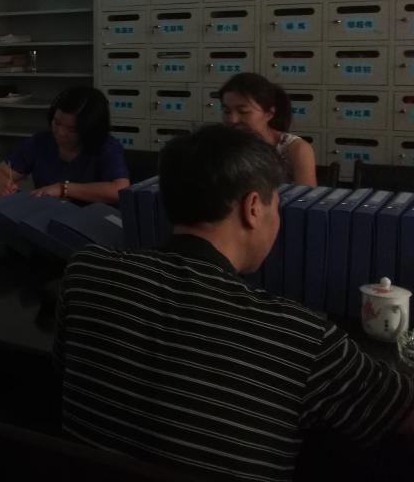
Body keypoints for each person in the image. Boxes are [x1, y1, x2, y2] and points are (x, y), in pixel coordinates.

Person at [54, 124, 414, 482]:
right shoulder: (300, 336)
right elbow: (403, 413)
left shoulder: (87, 272)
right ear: (253, 207)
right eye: (277, 204)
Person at [0, 86, 129, 203]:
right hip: (47, 216)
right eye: (57, 122)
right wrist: (3, 186)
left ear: (90, 129)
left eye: (72, 129)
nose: (60, 133)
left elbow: (119, 190)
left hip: (92, 221)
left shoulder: (106, 147)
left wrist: (64, 189)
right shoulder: (41, 141)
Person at [218, 72, 317, 186]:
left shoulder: (296, 149)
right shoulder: (221, 146)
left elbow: (306, 195)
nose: (232, 120)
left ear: (269, 113)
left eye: (243, 112)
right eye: (226, 111)